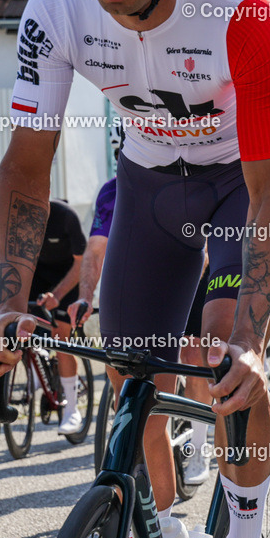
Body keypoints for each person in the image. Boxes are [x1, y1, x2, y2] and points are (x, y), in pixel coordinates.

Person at [0, 0, 270, 538]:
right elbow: (27, 167)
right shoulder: (57, 7)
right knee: (132, 371)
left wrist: (249, 337)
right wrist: (8, 301)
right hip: (150, 184)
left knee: (222, 356)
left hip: (245, 182)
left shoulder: (240, 11)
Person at [68, 176, 216, 486]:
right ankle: (139, 447)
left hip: (193, 268)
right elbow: (96, 251)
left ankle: (199, 447)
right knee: (121, 361)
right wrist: (84, 296)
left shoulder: (184, 179)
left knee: (190, 351)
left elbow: (199, 253)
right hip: (140, 277)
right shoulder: (111, 190)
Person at [0, 197, 87, 434]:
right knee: (17, 325)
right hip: (36, 275)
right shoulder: (21, 218)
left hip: (66, 279)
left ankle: (72, 408)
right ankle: (38, 367)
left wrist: (57, 295)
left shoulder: (66, 216)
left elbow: (82, 262)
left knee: (61, 337)